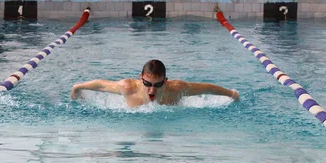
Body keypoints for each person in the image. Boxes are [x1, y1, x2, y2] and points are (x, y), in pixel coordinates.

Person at [70, 59, 240, 108]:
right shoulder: (128, 88)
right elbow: (102, 85)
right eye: (147, 83)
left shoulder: (176, 89)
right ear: (140, 79)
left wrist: (231, 94)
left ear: (165, 82)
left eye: (157, 85)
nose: (152, 89)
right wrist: (78, 87)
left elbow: (206, 88)